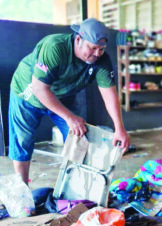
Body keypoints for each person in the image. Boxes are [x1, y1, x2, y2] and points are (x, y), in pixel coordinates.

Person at [9, 18, 130, 185]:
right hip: (28, 92)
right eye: (92, 48)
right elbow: (39, 89)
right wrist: (69, 117)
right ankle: (22, 189)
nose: (96, 54)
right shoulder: (55, 47)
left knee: (79, 138)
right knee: (23, 141)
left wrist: (119, 128)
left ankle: (75, 188)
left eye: (101, 49)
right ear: (78, 39)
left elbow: (109, 94)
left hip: (62, 96)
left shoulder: (102, 60)